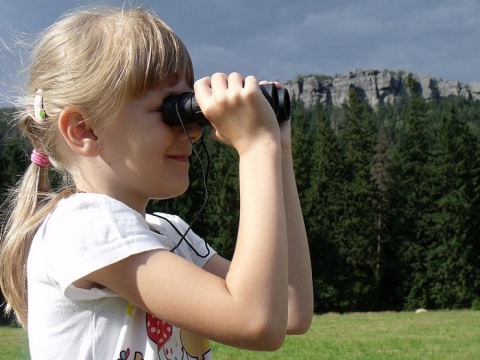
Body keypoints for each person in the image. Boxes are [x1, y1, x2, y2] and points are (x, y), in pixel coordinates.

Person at [0, 6, 313, 360]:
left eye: (187, 107)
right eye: (170, 110)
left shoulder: (168, 232)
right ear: (84, 129)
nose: (193, 130)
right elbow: (256, 321)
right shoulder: (82, 225)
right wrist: (257, 146)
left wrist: (279, 151)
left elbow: (290, 310)